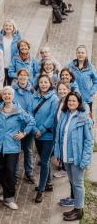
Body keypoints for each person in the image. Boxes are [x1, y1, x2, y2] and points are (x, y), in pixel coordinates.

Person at [0, 86, 36, 210]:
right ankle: (5, 194)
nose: (7, 96)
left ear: (13, 96)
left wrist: (24, 133)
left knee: (10, 171)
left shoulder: (19, 111)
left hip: (12, 146)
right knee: (1, 170)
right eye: (4, 94)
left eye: (9, 94)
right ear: (2, 96)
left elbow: (31, 122)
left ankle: (9, 197)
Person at [54, 91, 93, 221]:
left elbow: (89, 141)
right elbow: (59, 136)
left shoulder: (84, 118)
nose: (71, 103)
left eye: (74, 101)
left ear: (79, 103)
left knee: (78, 184)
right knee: (72, 182)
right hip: (66, 156)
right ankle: (76, 207)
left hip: (78, 158)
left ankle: (79, 211)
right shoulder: (65, 115)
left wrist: (85, 160)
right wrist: (58, 153)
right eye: (69, 101)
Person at [33, 74, 59, 203]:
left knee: (44, 161)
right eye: (41, 82)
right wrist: (34, 129)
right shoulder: (35, 96)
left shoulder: (54, 98)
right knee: (45, 160)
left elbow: (52, 117)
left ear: (50, 84)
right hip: (36, 134)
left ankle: (41, 190)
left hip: (48, 135)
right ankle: (48, 183)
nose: (43, 84)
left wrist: (41, 129)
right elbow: (30, 113)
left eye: (45, 82)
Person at [12, 68, 36, 184]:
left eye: (25, 75)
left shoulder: (32, 91)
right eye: (20, 75)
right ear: (17, 77)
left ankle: (29, 173)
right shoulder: (12, 90)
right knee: (16, 151)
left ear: (28, 77)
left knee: (28, 150)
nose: (22, 77)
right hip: (16, 126)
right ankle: (15, 175)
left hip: (28, 125)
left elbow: (33, 108)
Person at [68, 45, 97, 112]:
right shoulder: (71, 66)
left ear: (86, 54)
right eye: (78, 52)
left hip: (86, 99)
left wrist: (91, 92)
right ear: (76, 54)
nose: (80, 54)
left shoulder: (91, 67)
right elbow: (66, 78)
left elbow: (96, 81)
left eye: (82, 53)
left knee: (87, 119)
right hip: (73, 99)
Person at [0, 19, 22, 86]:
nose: (8, 27)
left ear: (13, 27)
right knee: (2, 86)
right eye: (6, 25)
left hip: (12, 67)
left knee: (11, 87)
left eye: (10, 26)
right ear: (3, 27)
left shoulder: (17, 39)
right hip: (2, 67)